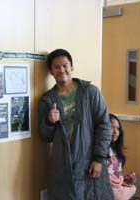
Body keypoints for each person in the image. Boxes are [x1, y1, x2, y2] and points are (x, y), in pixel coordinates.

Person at [38, 49, 113, 199]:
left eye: (65, 65)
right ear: (51, 72)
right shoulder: (47, 99)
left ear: (71, 67)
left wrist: (98, 159)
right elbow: (45, 136)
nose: (61, 70)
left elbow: (104, 126)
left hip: (88, 161)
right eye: (56, 67)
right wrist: (49, 122)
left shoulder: (90, 92)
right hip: (62, 167)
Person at [106, 113, 136, 200]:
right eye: (112, 127)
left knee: (132, 188)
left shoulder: (115, 150)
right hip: (108, 187)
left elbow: (116, 173)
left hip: (116, 186)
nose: (115, 132)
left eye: (118, 128)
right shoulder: (102, 151)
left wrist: (123, 180)